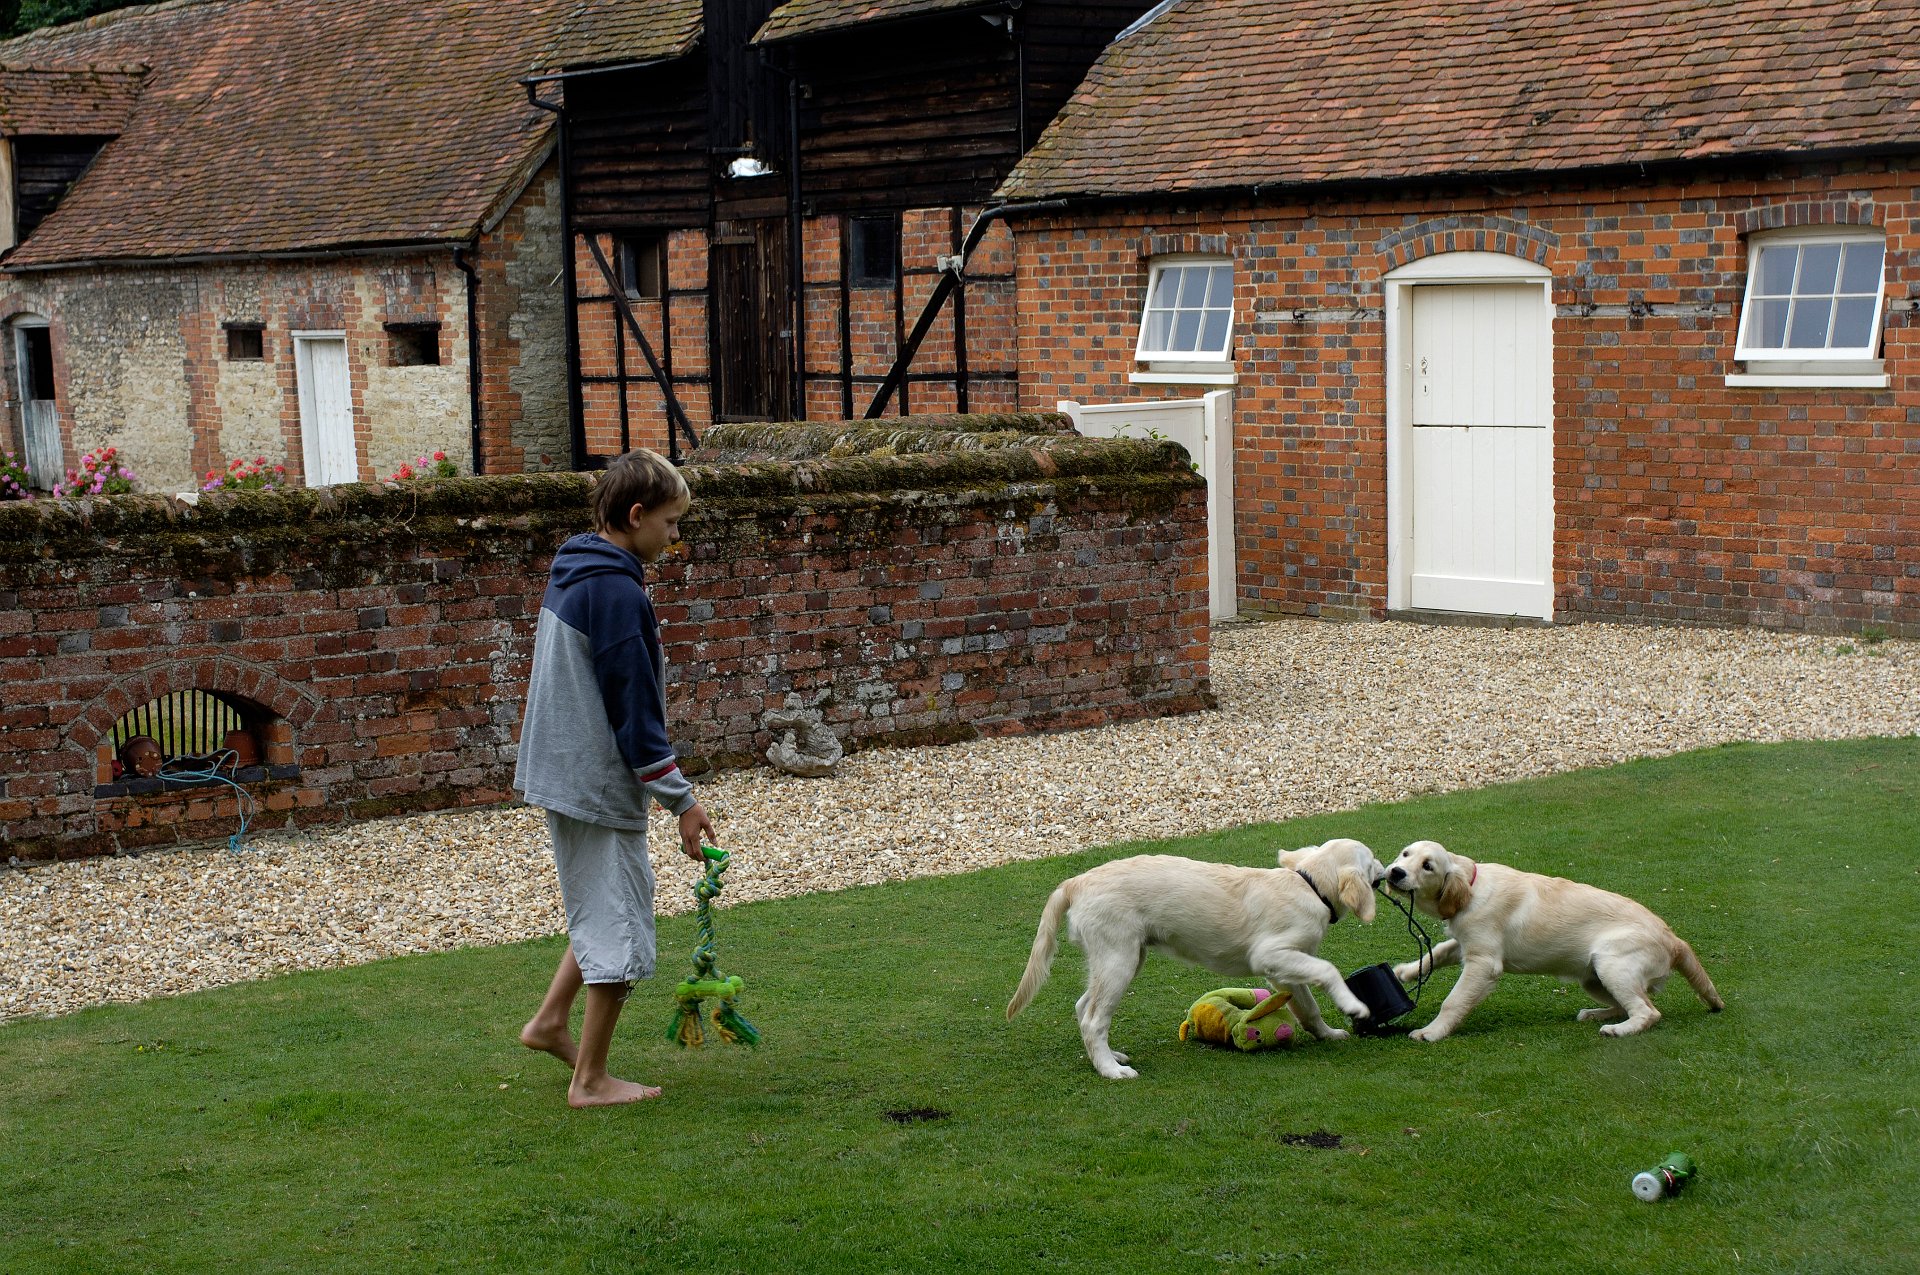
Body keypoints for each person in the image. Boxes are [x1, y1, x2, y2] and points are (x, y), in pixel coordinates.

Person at [513, 448, 717, 1107]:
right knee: (619, 922)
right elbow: (635, 713)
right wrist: (682, 801)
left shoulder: (577, 569)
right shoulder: (617, 592)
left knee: (602, 907)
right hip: (591, 779)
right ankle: (592, 1080)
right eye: (670, 522)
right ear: (635, 515)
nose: (675, 536)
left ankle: (550, 1022)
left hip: (564, 771)